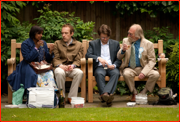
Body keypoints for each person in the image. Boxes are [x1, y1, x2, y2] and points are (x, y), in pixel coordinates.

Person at [117, 24, 160, 102]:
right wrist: (122, 50)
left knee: (155, 74)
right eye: (128, 33)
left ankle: (143, 92)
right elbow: (119, 57)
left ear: (138, 35)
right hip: (129, 68)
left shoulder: (148, 44)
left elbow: (152, 60)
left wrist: (144, 72)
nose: (128, 35)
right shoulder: (126, 41)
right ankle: (134, 93)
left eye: (131, 34)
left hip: (143, 68)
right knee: (126, 74)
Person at [7, 25, 57, 91]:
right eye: (39, 33)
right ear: (33, 34)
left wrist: (50, 52)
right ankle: (30, 95)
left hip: (40, 65)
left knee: (49, 73)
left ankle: (45, 96)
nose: (41, 35)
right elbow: (28, 58)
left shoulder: (43, 43)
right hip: (28, 64)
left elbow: (47, 59)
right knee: (32, 75)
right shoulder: (25, 44)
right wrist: (36, 47)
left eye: (41, 33)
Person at [86, 24, 122, 106]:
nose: (105, 39)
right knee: (99, 74)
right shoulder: (93, 44)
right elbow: (87, 55)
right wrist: (98, 58)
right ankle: (108, 98)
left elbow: (118, 59)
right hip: (100, 67)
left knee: (116, 73)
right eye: (103, 37)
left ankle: (104, 95)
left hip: (111, 67)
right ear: (99, 36)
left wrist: (114, 65)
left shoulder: (115, 44)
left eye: (107, 37)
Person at [53, 24, 84, 104]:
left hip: (72, 68)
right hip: (60, 67)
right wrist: (60, 65)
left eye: (66, 33)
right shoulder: (57, 43)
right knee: (59, 72)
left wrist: (73, 66)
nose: (63, 35)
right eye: (62, 33)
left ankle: (71, 97)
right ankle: (62, 97)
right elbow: (55, 58)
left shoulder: (79, 45)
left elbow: (79, 59)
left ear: (72, 33)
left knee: (80, 72)